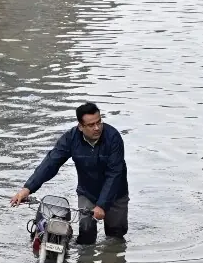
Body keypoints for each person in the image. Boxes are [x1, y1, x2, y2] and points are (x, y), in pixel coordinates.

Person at [10, 102, 130, 244]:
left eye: (99, 122)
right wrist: (27, 189)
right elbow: (51, 163)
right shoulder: (70, 139)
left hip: (116, 192)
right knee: (86, 234)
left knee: (116, 236)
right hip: (87, 192)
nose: (97, 128)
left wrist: (102, 205)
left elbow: (114, 174)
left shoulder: (113, 138)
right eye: (91, 125)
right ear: (80, 126)